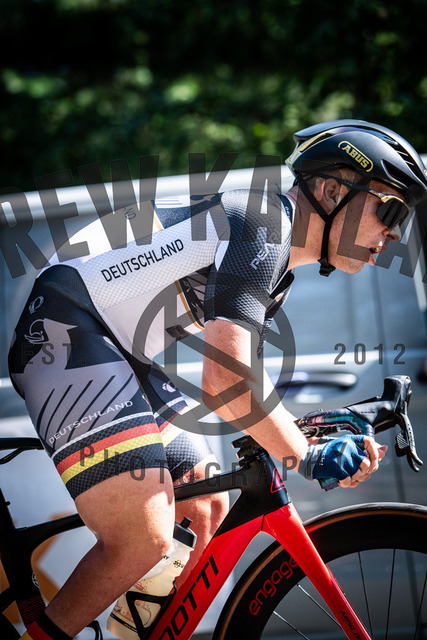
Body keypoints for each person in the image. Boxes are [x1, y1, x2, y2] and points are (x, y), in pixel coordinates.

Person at [9, 119, 427, 640]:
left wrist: (319, 428)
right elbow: (226, 379)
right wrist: (305, 456)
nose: (394, 233)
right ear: (330, 191)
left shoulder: (277, 262)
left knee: (205, 506)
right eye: (390, 210)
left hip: (116, 348)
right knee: (143, 538)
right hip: (64, 328)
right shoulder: (264, 224)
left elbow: (247, 388)